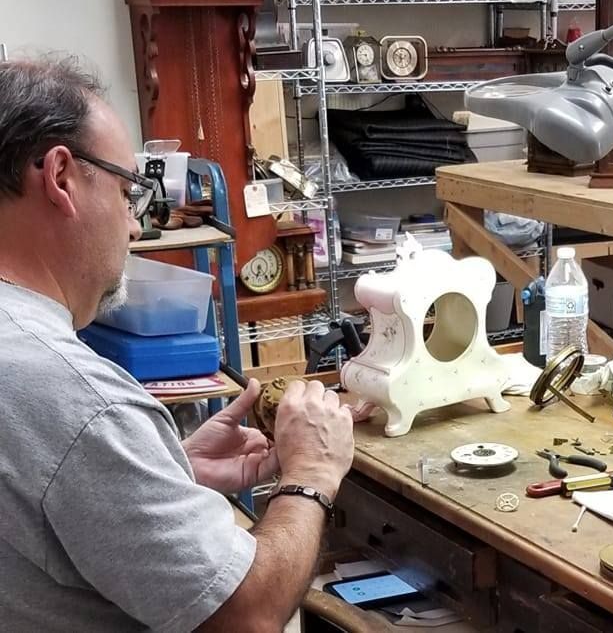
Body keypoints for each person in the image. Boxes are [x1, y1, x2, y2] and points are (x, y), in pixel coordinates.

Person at [0, 57, 356, 632]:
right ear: (61, 178)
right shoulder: (74, 396)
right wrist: (312, 473)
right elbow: (247, 615)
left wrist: (163, 471)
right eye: (125, 193)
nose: (135, 227)